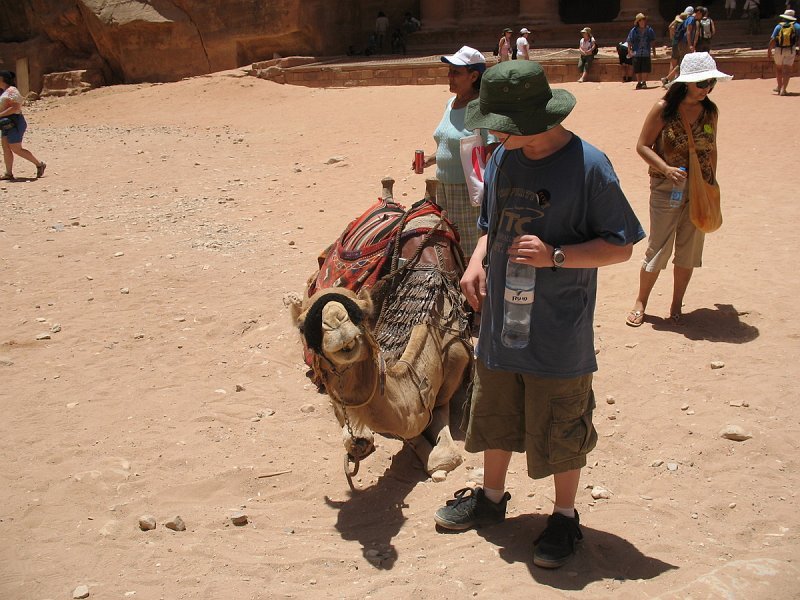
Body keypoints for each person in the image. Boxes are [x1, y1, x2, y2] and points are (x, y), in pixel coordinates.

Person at [432, 60, 645, 570]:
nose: (491, 132)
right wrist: (478, 262)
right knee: (495, 406)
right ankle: (491, 499)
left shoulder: (590, 166)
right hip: (500, 321)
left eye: (499, 123)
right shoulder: (504, 157)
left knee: (561, 417)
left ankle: (565, 517)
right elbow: (490, 225)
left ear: (531, 120)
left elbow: (621, 247)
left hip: (558, 325)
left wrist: (556, 256)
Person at [626, 52, 732, 327]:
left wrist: (711, 183)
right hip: (666, 188)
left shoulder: (710, 111)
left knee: (689, 249)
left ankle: (676, 305)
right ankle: (641, 302)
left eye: (710, 83)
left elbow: (712, 149)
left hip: (699, 189)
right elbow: (642, 146)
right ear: (686, 83)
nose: (706, 88)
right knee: (658, 246)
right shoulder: (664, 108)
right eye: (702, 83)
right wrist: (666, 169)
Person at [416, 46, 498, 258]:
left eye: (456, 72)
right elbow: (452, 143)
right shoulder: (450, 103)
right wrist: (431, 159)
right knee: (448, 247)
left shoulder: (482, 107)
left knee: (467, 251)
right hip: (443, 189)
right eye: (449, 71)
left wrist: (487, 195)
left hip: (467, 192)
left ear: (474, 76)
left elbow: (492, 149)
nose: (450, 77)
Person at [0, 71, 46, 181]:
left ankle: (39, 164)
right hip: (5, 122)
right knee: (6, 148)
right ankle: (8, 173)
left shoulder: (12, 91)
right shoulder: (4, 92)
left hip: (14, 121)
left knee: (16, 148)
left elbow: (15, 108)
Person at [767, 9, 800, 95]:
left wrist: (769, 50)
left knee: (779, 69)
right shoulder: (797, 26)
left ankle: (779, 86)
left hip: (779, 50)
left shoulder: (778, 26)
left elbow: (773, 40)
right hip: (790, 50)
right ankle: (783, 89)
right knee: (787, 70)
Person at [626, 13, 657, 89]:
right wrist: (629, 51)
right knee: (637, 68)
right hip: (636, 52)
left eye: (643, 20)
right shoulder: (633, 31)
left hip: (646, 52)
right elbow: (629, 41)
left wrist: (654, 52)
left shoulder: (649, 30)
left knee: (645, 68)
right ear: (638, 22)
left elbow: (653, 41)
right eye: (640, 20)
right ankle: (639, 82)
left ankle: (644, 82)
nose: (642, 22)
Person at [662, 13, 689, 86]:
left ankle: (669, 80)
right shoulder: (684, 25)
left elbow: (670, 27)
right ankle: (669, 79)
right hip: (681, 45)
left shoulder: (675, 25)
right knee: (680, 63)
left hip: (674, 43)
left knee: (673, 63)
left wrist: (672, 38)